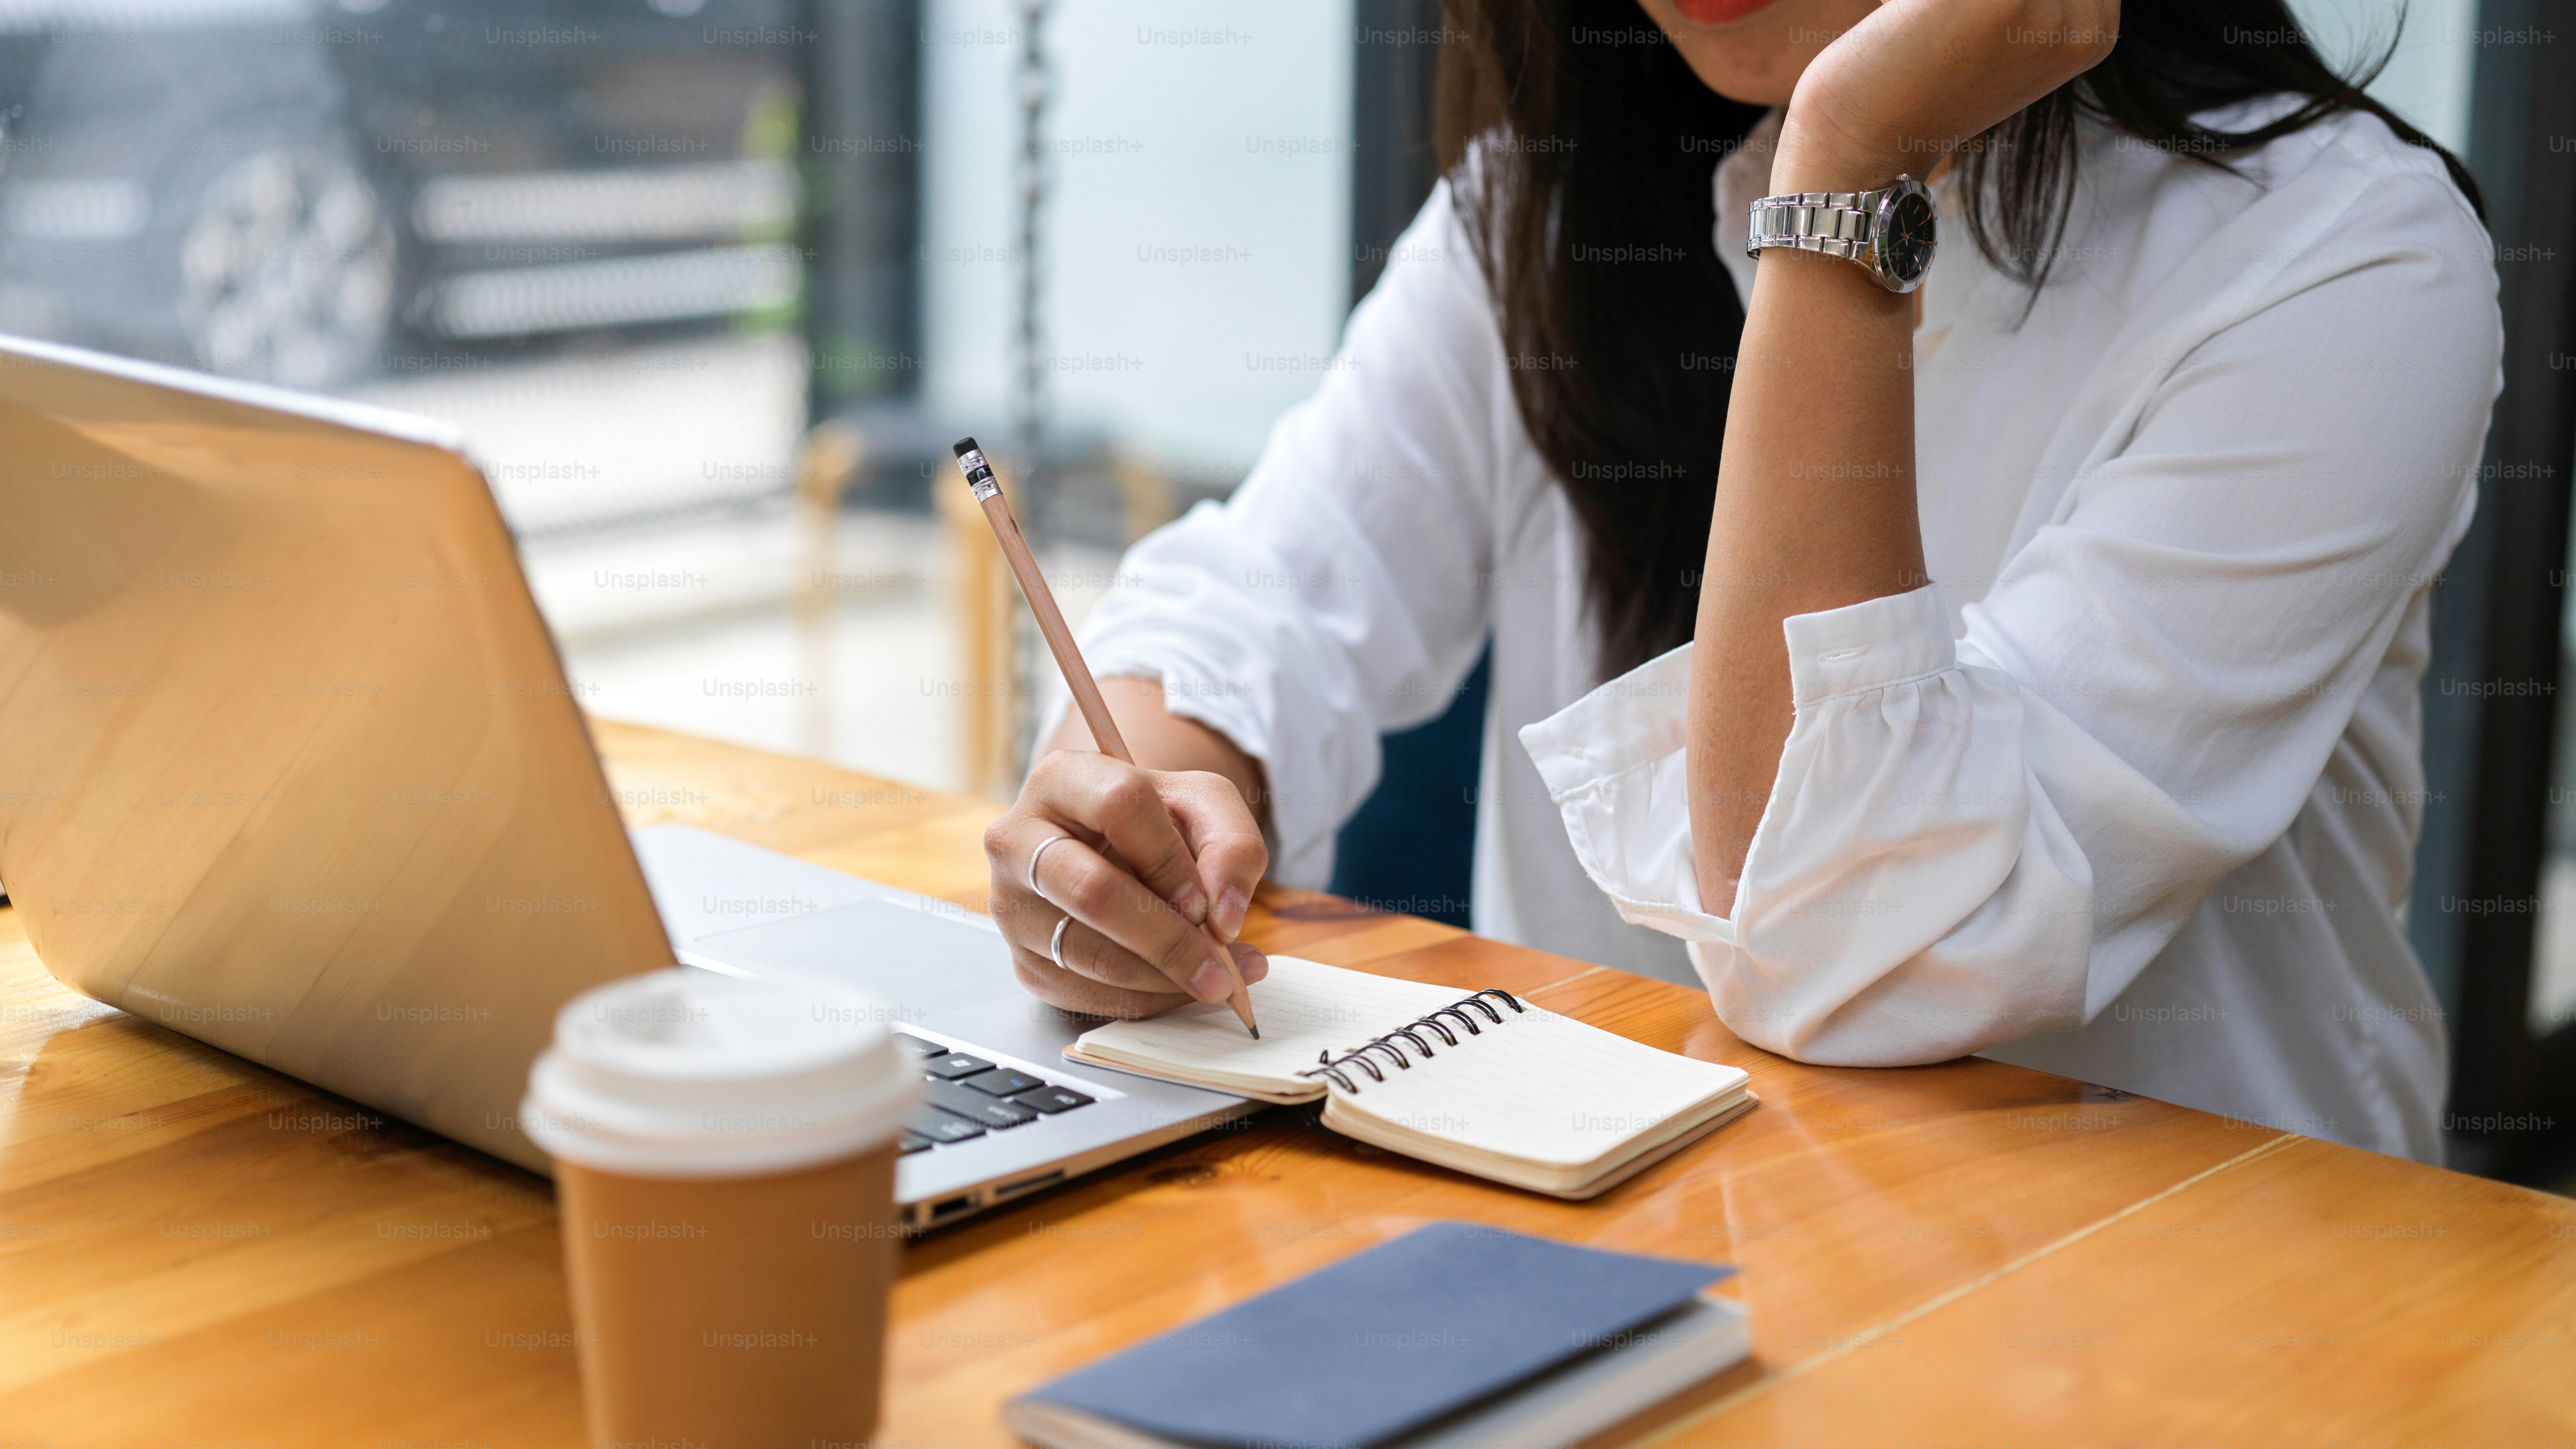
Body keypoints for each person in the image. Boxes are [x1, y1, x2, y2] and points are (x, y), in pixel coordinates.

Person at [978, 0, 2501, 1163]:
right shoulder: (1553, 203)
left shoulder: (2344, 260)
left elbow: (1851, 954)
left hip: (2195, 1311)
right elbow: (1260, 603)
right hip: (1632, 1239)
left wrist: (1850, 171)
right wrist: (1129, 820)